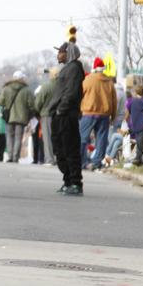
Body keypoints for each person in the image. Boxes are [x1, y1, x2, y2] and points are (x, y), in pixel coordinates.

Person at [52, 42, 84, 195]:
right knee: (60, 149)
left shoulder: (74, 69)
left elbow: (70, 93)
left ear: (68, 53)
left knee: (70, 148)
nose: (59, 54)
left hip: (66, 115)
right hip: (61, 115)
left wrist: (61, 110)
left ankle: (76, 183)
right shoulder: (68, 68)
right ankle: (67, 181)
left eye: (61, 52)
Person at [79, 57, 116, 171]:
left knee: (83, 138)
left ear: (94, 68)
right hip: (104, 115)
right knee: (101, 140)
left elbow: (79, 95)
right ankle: (97, 163)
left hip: (88, 113)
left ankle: (82, 162)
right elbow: (114, 100)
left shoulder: (88, 80)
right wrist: (112, 116)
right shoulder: (109, 82)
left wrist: (78, 110)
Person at [0, 70, 33, 164]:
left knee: (9, 137)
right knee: (18, 137)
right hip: (21, 118)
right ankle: (15, 157)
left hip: (9, 117)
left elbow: (0, 101)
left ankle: (10, 156)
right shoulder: (27, 90)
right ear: (22, 78)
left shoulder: (6, 88)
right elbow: (31, 104)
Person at [35, 68, 59, 166]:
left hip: (46, 115)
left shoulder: (46, 87)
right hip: (59, 115)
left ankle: (49, 159)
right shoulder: (63, 87)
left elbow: (38, 103)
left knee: (47, 137)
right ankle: (58, 158)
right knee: (58, 137)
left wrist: (37, 111)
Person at [126, 85, 143, 165]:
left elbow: (128, 111)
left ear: (136, 92)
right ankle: (142, 158)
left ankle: (139, 158)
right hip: (142, 125)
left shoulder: (132, 101)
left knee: (139, 141)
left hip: (134, 125)